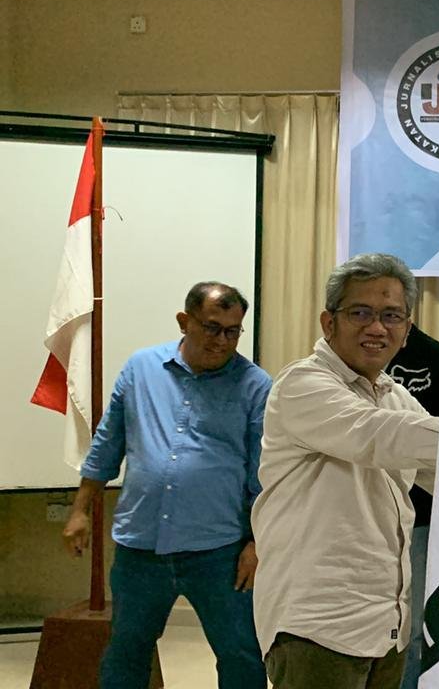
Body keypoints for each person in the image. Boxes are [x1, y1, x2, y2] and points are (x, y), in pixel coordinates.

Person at [63, 282, 270, 689]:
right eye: (212, 328)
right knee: (127, 651)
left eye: (233, 331)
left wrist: (257, 542)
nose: (222, 341)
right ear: (184, 321)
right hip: (141, 548)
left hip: (220, 552)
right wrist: (79, 510)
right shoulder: (141, 368)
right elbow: (107, 443)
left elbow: (263, 473)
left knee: (241, 653)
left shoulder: (255, 384)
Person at [251, 253, 439, 689]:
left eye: (391, 316)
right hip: (316, 627)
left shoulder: (395, 397)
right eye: (360, 313)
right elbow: (376, 435)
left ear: (407, 330)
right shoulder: (302, 384)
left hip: (386, 627)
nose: (377, 328)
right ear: (328, 322)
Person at [384, 322, 439, 689]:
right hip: (371, 513)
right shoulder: (351, 364)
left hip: (422, 514)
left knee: (413, 620)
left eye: (394, 313)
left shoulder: (434, 355)